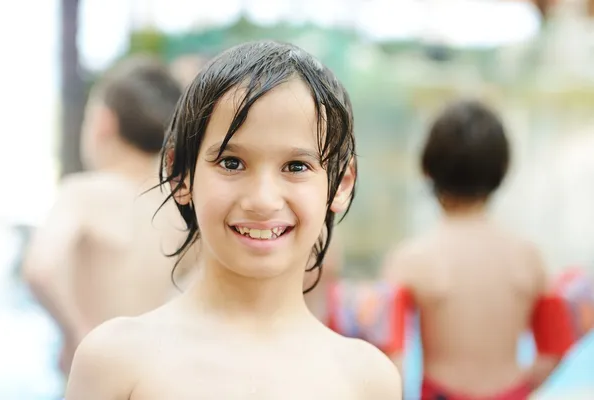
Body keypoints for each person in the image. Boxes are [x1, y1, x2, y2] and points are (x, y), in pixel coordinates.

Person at [65, 40, 402, 399]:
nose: (262, 199)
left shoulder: (367, 379)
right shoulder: (117, 360)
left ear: (341, 183)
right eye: (231, 163)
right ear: (180, 174)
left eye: (296, 167)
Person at [381, 100, 578, 399]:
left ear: (427, 169)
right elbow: (555, 349)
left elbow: (390, 359)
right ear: (502, 170)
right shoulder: (528, 257)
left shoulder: (411, 260)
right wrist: (523, 387)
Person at [22, 56, 194, 376]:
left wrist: (76, 333)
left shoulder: (83, 192)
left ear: (103, 122)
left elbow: (39, 269)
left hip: (98, 369)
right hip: (155, 368)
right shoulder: (179, 202)